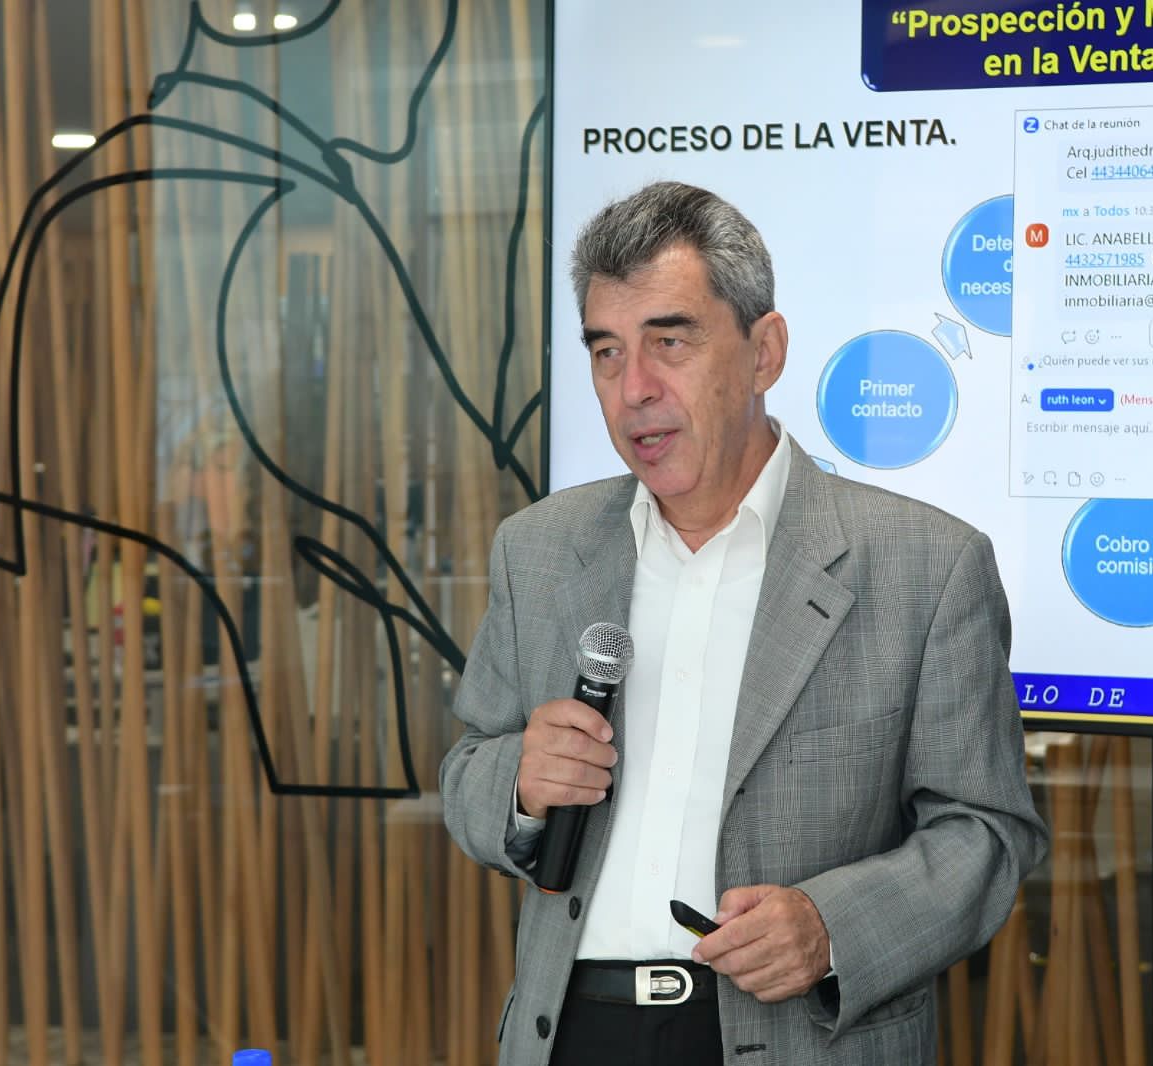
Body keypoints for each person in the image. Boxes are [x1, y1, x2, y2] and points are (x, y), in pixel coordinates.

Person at [440, 181, 1047, 1065]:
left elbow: (987, 834)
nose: (634, 389)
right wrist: (521, 786)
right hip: (572, 1032)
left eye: (670, 342)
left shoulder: (925, 564)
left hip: (798, 1037)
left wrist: (831, 927)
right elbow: (467, 772)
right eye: (607, 353)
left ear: (765, 352)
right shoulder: (538, 549)